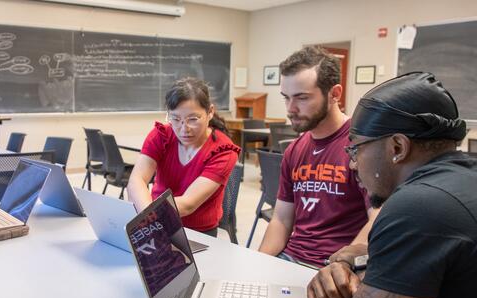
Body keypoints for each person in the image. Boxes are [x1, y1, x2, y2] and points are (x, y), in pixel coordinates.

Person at [296, 72, 477, 298]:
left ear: (397, 147)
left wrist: (359, 280)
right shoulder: (460, 180)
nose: (352, 164)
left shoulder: (416, 206)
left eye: (357, 148)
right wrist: (353, 257)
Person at [258, 46, 377, 268]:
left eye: (301, 98)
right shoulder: (294, 150)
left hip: (335, 268)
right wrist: (258, 263)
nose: (290, 109)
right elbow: (282, 220)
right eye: (286, 98)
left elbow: (378, 219)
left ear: (335, 94)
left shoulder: (362, 148)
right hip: (292, 259)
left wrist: (343, 265)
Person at [127, 77, 240, 236]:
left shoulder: (223, 151)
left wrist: (148, 215)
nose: (183, 129)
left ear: (210, 112)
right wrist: (147, 217)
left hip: (198, 233)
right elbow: (137, 180)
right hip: (157, 221)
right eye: (175, 119)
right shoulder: (161, 136)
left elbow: (188, 204)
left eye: (193, 119)